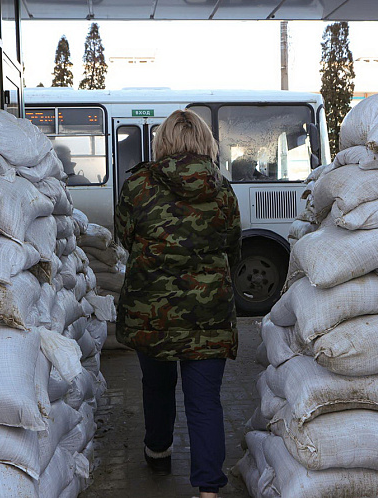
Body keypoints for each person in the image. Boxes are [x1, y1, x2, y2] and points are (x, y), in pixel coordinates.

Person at [114, 109, 241, 498]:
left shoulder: (137, 186)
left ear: (162, 141)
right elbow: (233, 249)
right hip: (210, 314)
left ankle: (158, 450)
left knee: (157, 385)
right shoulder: (222, 190)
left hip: (150, 312)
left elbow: (125, 238)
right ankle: (208, 489)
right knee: (204, 402)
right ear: (205, 142)